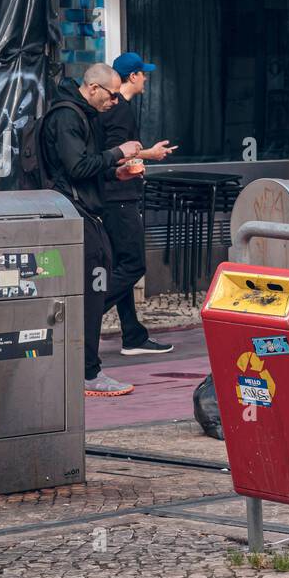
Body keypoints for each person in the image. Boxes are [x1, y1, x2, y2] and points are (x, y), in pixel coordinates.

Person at [40, 63, 141, 397]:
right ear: (94, 88)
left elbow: (84, 170)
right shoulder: (68, 116)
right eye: (111, 95)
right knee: (91, 292)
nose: (114, 102)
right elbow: (78, 166)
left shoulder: (82, 114)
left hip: (80, 211)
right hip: (77, 215)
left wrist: (116, 174)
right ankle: (87, 373)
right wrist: (117, 153)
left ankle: (81, 368)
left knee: (89, 290)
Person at [98, 52, 177, 355]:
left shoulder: (114, 109)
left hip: (115, 196)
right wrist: (149, 155)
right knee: (133, 265)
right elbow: (113, 151)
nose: (146, 78)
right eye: (143, 73)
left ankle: (132, 335)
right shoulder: (120, 111)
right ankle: (86, 318)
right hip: (119, 198)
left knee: (122, 264)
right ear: (132, 77)